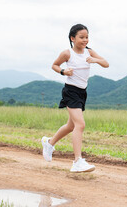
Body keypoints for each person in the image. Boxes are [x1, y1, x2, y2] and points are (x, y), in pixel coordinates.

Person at [42, 24, 109, 172]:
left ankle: (49, 143)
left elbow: (106, 64)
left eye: (87, 37)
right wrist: (64, 71)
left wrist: (95, 60)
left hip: (82, 92)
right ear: (72, 38)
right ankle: (77, 161)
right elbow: (54, 65)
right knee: (80, 125)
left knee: (71, 126)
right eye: (81, 37)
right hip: (70, 91)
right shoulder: (67, 53)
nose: (85, 40)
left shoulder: (89, 52)